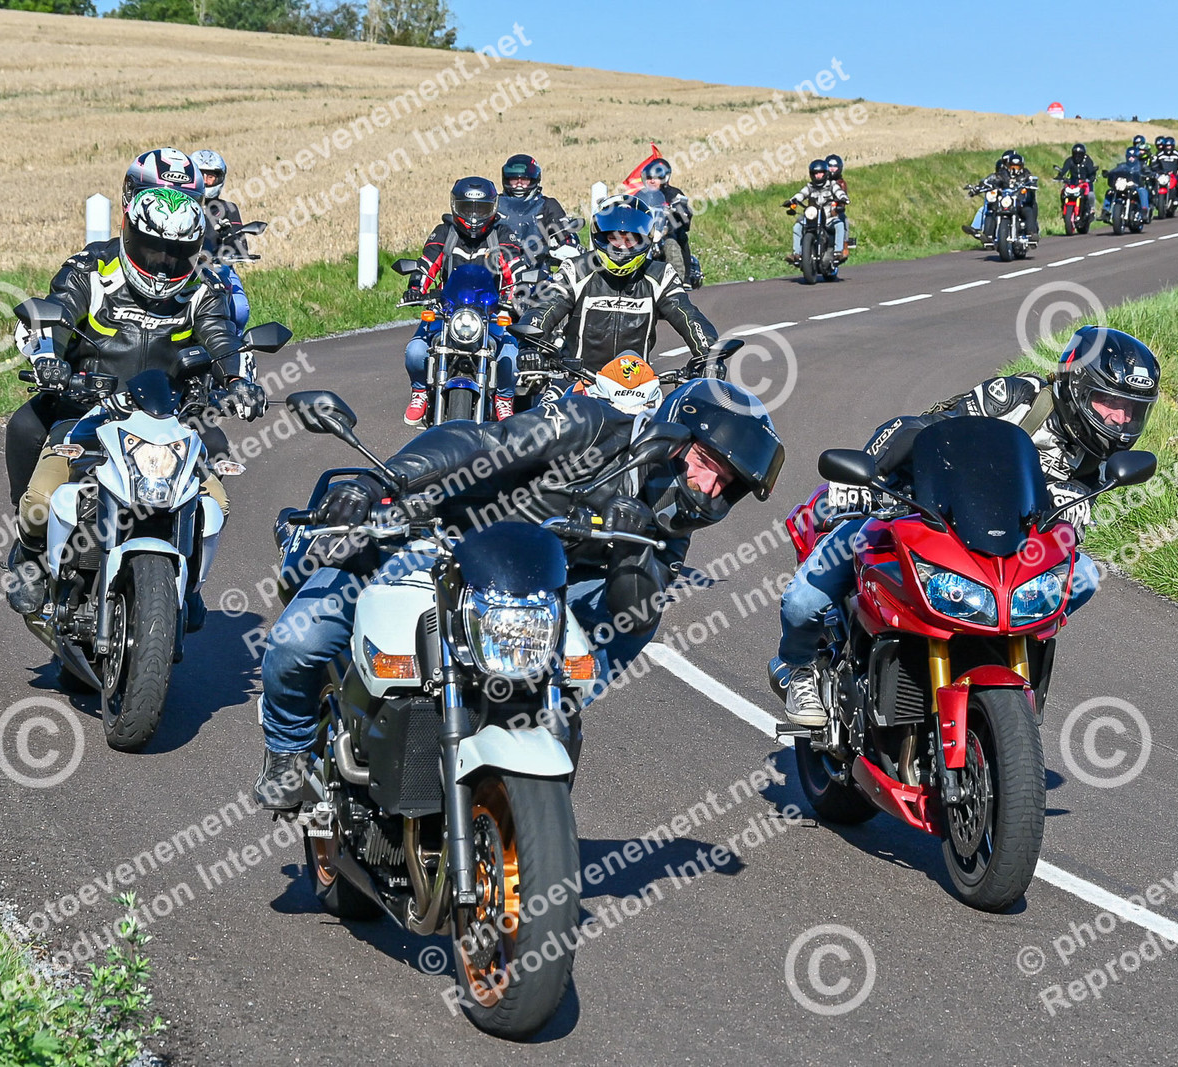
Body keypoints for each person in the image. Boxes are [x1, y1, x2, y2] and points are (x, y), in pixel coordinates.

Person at [253, 379, 785, 807]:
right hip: (437, 538)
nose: (709, 488)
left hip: (524, 596)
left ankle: (539, 726)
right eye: (706, 465)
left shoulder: (669, 521)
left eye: (726, 483)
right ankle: (287, 752)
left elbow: (633, 612)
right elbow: (482, 442)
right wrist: (378, 484)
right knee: (297, 643)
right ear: (673, 439)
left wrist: (631, 552)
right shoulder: (589, 426)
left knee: (642, 615)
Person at [775, 325, 1160, 725]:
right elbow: (924, 428)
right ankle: (798, 668)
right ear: (1075, 385)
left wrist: (1068, 518)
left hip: (997, 543)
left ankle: (1009, 648)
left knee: (1083, 575)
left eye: (1131, 410)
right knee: (804, 600)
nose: (1120, 419)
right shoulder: (1016, 399)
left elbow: (1058, 524)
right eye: (1108, 402)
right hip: (911, 507)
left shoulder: (1097, 458)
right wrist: (866, 477)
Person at [5, 186, 267, 616]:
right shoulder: (91, 270)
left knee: (215, 503)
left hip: (173, 416)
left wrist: (239, 381)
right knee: (40, 502)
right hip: (89, 408)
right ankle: (31, 559)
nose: (163, 263)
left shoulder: (203, 287)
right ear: (130, 234)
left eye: (176, 253)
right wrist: (50, 359)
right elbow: (59, 313)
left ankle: (189, 581)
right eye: (152, 249)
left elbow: (221, 336)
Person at [518, 197, 718, 374]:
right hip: (576, 381)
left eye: (630, 239)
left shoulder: (660, 275)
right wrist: (529, 346)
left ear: (643, 240)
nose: (622, 245)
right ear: (601, 237)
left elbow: (687, 314)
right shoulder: (576, 269)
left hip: (636, 386)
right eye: (614, 237)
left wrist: (709, 356)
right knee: (546, 406)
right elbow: (546, 307)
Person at [402, 177, 526, 424]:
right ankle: (420, 391)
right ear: (455, 206)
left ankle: (503, 397)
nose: (473, 216)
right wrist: (416, 288)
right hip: (447, 311)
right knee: (415, 352)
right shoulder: (444, 233)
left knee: (510, 355)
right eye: (467, 208)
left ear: (492, 207)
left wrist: (519, 293)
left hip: (491, 313)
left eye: (480, 209)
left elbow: (516, 268)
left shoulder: (502, 234)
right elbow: (427, 264)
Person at [190, 149, 251, 330]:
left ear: (219, 178)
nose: (205, 181)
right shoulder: (182, 206)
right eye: (201, 175)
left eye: (211, 177)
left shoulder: (228, 208)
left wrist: (228, 239)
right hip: (185, 268)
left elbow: (240, 245)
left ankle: (236, 341)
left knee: (240, 310)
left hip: (218, 268)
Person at [495, 153, 580, 272]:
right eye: (514, 179)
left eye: (524, 179)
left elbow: (565, 234)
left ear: (534, 180)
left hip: (538, 270)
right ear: (506, 179)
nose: (519, 184)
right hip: (498, 269)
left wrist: (567, 246)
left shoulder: (547, 205)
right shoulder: (494, 204)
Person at [636, 158, 696, 282]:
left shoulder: (673, 193)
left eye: (656, 178)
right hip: (645, 232)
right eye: (649, 177)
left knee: (674, 241)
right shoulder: (639, 195)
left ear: (664, 179)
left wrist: (679, 210)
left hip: (666, 232)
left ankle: (682, 278)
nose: (652, 181)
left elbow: (685, 213)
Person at [784, 158, 850, 265]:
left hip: (828, 217)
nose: (818, 176)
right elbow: (801, 194)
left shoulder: (832, 185)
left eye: (820, 173)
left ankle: (838, 252)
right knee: (797, 226)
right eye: (815, 173)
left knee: (839, 225)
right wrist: (792, 201)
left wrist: (843, 198)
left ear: (825, 173)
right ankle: (796, 254)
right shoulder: (810, 187)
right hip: (812, 216)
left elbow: (839, 192)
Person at [1100, 146, 1151, 222]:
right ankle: (1105, 211)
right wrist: (1108, 173)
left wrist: (1148, 175)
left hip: (1136, 186)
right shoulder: (1122, 166)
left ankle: (1144, 211)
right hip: (1124, 186)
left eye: (1133, 157)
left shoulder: (1141, 165)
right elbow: (1114, 171)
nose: (1131, 159)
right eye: (1129, 157)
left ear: (1137, 157)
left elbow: (1148, 172)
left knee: (1143, 191)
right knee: (1110, 192)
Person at [1055, 143, 1099, 221]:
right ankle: (1063, 207)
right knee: (1063, 192)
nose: (1077, 156)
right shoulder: (1070, 160)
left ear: (1083, 154)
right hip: (1073, 182)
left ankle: (1091, 210)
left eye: (1080, 154)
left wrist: (1092, 177)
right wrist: (1060, 176)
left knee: (1090, 194)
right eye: (1075, 154)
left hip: (1085, 182)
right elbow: (1064, 169)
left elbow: (1091, 171)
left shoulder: (1087, 160)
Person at [1153, 136, 1178, 202]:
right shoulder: (1159, 154)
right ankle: (1155, 197)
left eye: (1169, 146)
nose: (1168, 148)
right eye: (1167, 146)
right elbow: (1154, 163)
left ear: (1173, 146)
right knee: (1154, 181)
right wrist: (1156, 169)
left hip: (1174, 174)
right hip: (1163, 174)